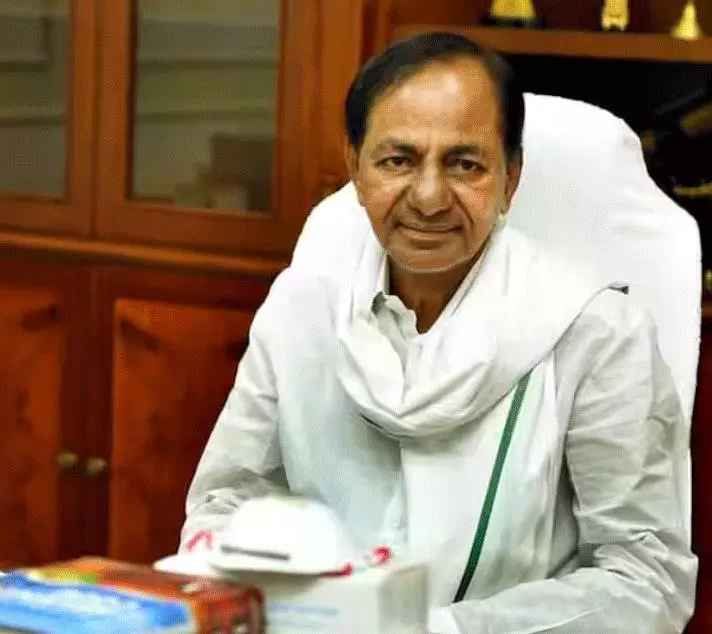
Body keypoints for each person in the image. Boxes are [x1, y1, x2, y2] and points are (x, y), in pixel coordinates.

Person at [180, 32, 697, 633]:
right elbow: (224, 504)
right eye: (398, 161)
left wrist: (440, 630)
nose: (428, 199)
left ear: (510, 179)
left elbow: (645, 579)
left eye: (464, 164)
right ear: (356, 168)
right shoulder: (301, 310)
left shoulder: (595, 335)